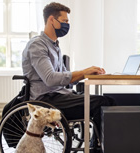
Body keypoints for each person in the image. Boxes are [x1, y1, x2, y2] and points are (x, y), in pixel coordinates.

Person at [22, 2, 115, 152]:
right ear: (51, 20)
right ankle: (99, 147)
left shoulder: (55, 46)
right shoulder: (37, 46)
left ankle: (97, 144)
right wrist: (84, 72)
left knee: (109, 100)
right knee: (102, 103)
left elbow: (65, 78)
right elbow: (51, 79)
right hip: (47, 100)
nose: (67, 25)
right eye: (64, 21)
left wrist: (86, 74)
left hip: (59, 95)